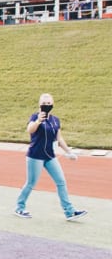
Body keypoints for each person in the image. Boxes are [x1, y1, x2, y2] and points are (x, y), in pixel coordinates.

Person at [14, 93, 86, 221]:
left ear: (52, 104)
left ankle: (69, 211)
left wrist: (69, 151)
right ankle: (19, 207)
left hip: (49, 156)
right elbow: (30, 130)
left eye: (48, 104)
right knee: (31, 183)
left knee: (61, 182)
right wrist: (38, 121)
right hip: (35, 156)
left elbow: (59, 138)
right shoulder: (35, 117)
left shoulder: (55, 120)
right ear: (39, 104)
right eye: (44, 103)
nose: (46, 106)